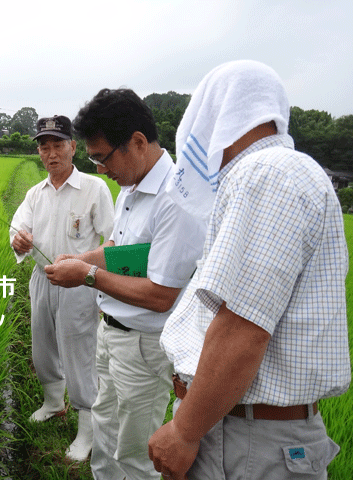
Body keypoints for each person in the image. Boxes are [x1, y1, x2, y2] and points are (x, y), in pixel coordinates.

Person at [148, 60, 351, 480]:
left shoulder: (267, 174)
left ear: (217, 113)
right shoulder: (271, 174)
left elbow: (243, 326)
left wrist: (185, 432)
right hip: (240, 429)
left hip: (246, 441)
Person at [44, 89, 206, 479]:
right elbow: (119, 249)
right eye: (93, 159)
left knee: (135, 451)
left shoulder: (175, 199)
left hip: (144, 345)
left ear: (136, 141)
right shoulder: (134, 186)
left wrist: (85, 275)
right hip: (112, 332)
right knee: (105, 429)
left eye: (102, 157)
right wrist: (83, 258)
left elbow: (160, 295)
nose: (100, 169)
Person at [10, 115, 115, 461]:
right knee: (42, 349)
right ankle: (54, 403)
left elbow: (114, 238)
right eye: (44, 146)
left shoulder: (93, 189)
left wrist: (84, 264)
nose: (51, 153)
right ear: (39, 152)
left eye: (58, 145)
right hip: (42, 277)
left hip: (78, 282)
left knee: (80, 353)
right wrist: (20, 241)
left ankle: (88, 428)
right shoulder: (35, 193)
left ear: (73, 148)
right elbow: (18, 231)